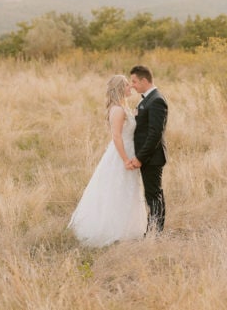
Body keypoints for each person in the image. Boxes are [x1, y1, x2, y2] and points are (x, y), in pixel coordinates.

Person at [68, 75, 147, 247]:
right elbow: (117, 136)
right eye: (127, 85)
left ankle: (127, 227)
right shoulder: (117, 110)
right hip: (121, 154)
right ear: (119, 88)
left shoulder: (122, 107)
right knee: (116, 189)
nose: (130, 88)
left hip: (129, 151)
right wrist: (125, 159)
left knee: (128, 189)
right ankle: (112, 230)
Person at [128, 65, 168, 234]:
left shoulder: (157, 100)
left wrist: (140, 158)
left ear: (144, 80)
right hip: (148, 157)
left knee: (153, 196)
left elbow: (155, 134)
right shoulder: (147, 99)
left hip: (152, 158)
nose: (132, 85)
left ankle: (155, 233)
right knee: (153, 195)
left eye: (134, 81)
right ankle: (154, 230)